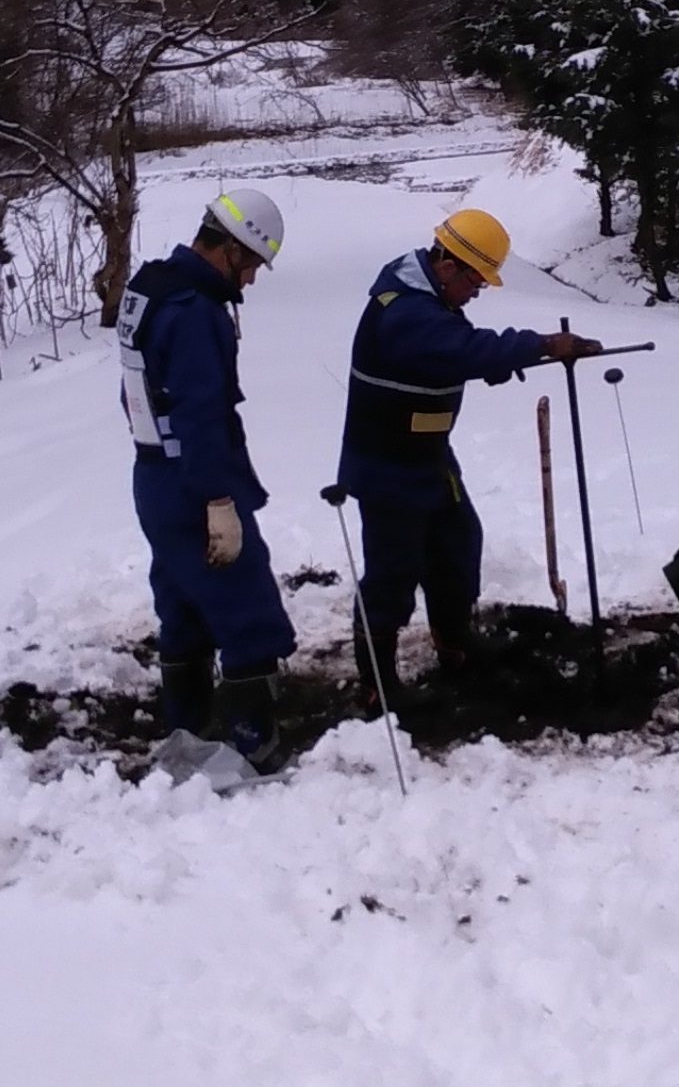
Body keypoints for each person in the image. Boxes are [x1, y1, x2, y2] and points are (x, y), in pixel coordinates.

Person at [336, 208, 601, 710]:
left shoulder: (425, 296)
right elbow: (456, 348)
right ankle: (378, 685)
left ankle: (455, 644)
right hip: (387, 464)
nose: (478, 291)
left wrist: (491, 364)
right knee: (393, 572)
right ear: (447, 265)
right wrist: (540, 346)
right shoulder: (404, 309)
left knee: (457, 543)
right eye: (477, 280)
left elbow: (446, 355)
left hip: (428, 457)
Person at [119, 188, 296, 771]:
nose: (248, 282)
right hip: (193, 483)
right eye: (248, 265)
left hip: (153, 477)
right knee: (248, 611)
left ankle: (187, 734)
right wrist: (218, 500)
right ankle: (257, 748)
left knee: (183, 607)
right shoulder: (195, 313)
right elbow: (200, 414)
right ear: (228, 248)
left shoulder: (149, 287)